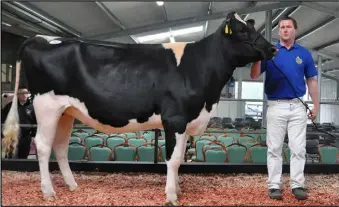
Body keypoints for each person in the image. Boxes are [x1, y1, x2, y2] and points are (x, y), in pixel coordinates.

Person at [250, 16, 320, 200]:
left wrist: (316, 105)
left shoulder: (304, 54)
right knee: (274, 148)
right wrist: (258, 57)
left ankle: (297, 185)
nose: (285, 30)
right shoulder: (270, 51)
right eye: (282, 27)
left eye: (288, 26)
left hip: (298, 107)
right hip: (276, 106)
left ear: (295, 30)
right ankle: (274, 186)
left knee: (298, 148)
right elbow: (254, 75)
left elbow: (312, 81)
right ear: (279, 31)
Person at [1, 87, 37, 159]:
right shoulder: (10, 106)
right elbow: (2, 119)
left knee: (23, 156)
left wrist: (34, 135)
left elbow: (35, 121)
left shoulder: (32, 107)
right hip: (12, 136)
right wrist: (2, 134)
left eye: (26, 93)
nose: (24, 95)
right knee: (10, 156)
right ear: (17, 95)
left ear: (28, 95)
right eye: (21, 93)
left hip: (26, 136)